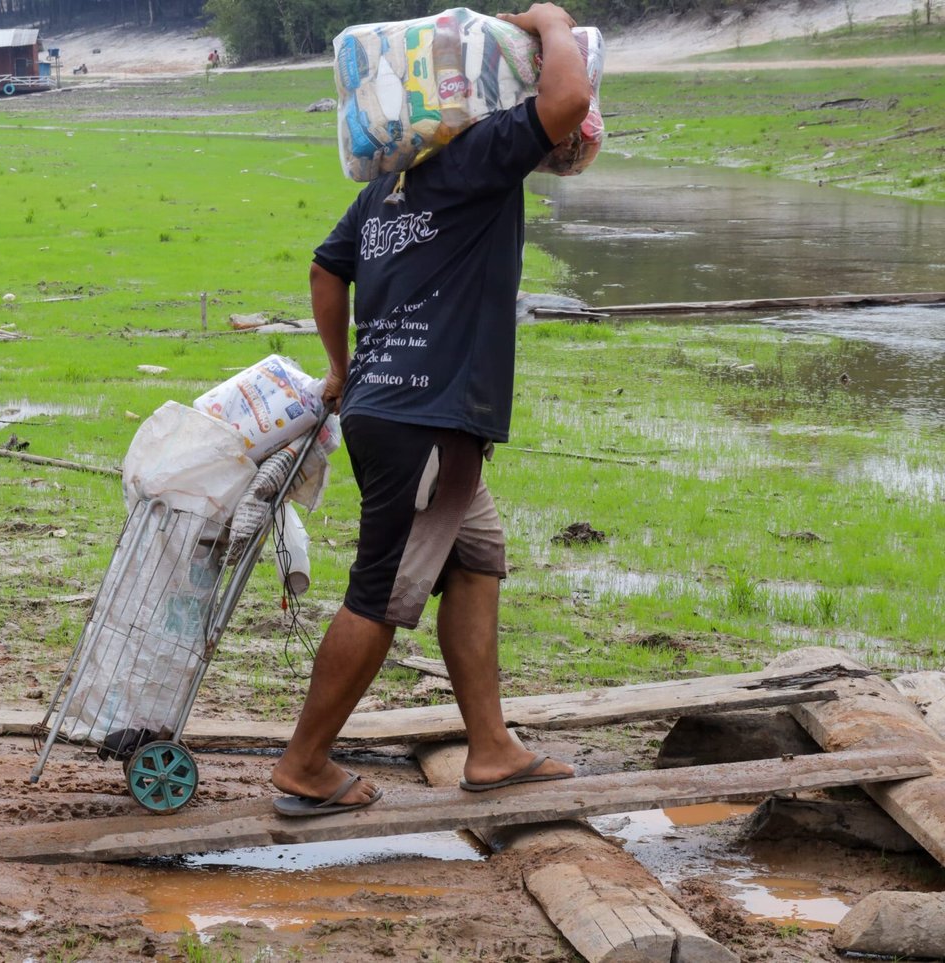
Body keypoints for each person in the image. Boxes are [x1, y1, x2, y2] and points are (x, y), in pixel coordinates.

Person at [271, 2, 592, 816]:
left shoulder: (388, 185)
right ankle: (305, 763)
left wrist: (342, 370)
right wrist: (553, 24)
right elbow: (564, 104)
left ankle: (490, 749)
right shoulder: (479, 153)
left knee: (478, 558)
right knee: (379, 590)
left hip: (395, 412)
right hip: (429, 422)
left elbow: (323, 268)